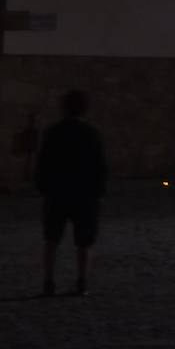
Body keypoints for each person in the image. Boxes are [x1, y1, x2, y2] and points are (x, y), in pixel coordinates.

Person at [37, 89, 107, 296]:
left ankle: (48, 281)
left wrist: (43, 187)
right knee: (84, 242)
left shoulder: (53, 132)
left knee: (52, 239)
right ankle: (82, 281)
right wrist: (99, 191)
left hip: (57, 193)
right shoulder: (91, 133)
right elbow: (100, 166)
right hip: (84, 195)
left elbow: (43, 163)